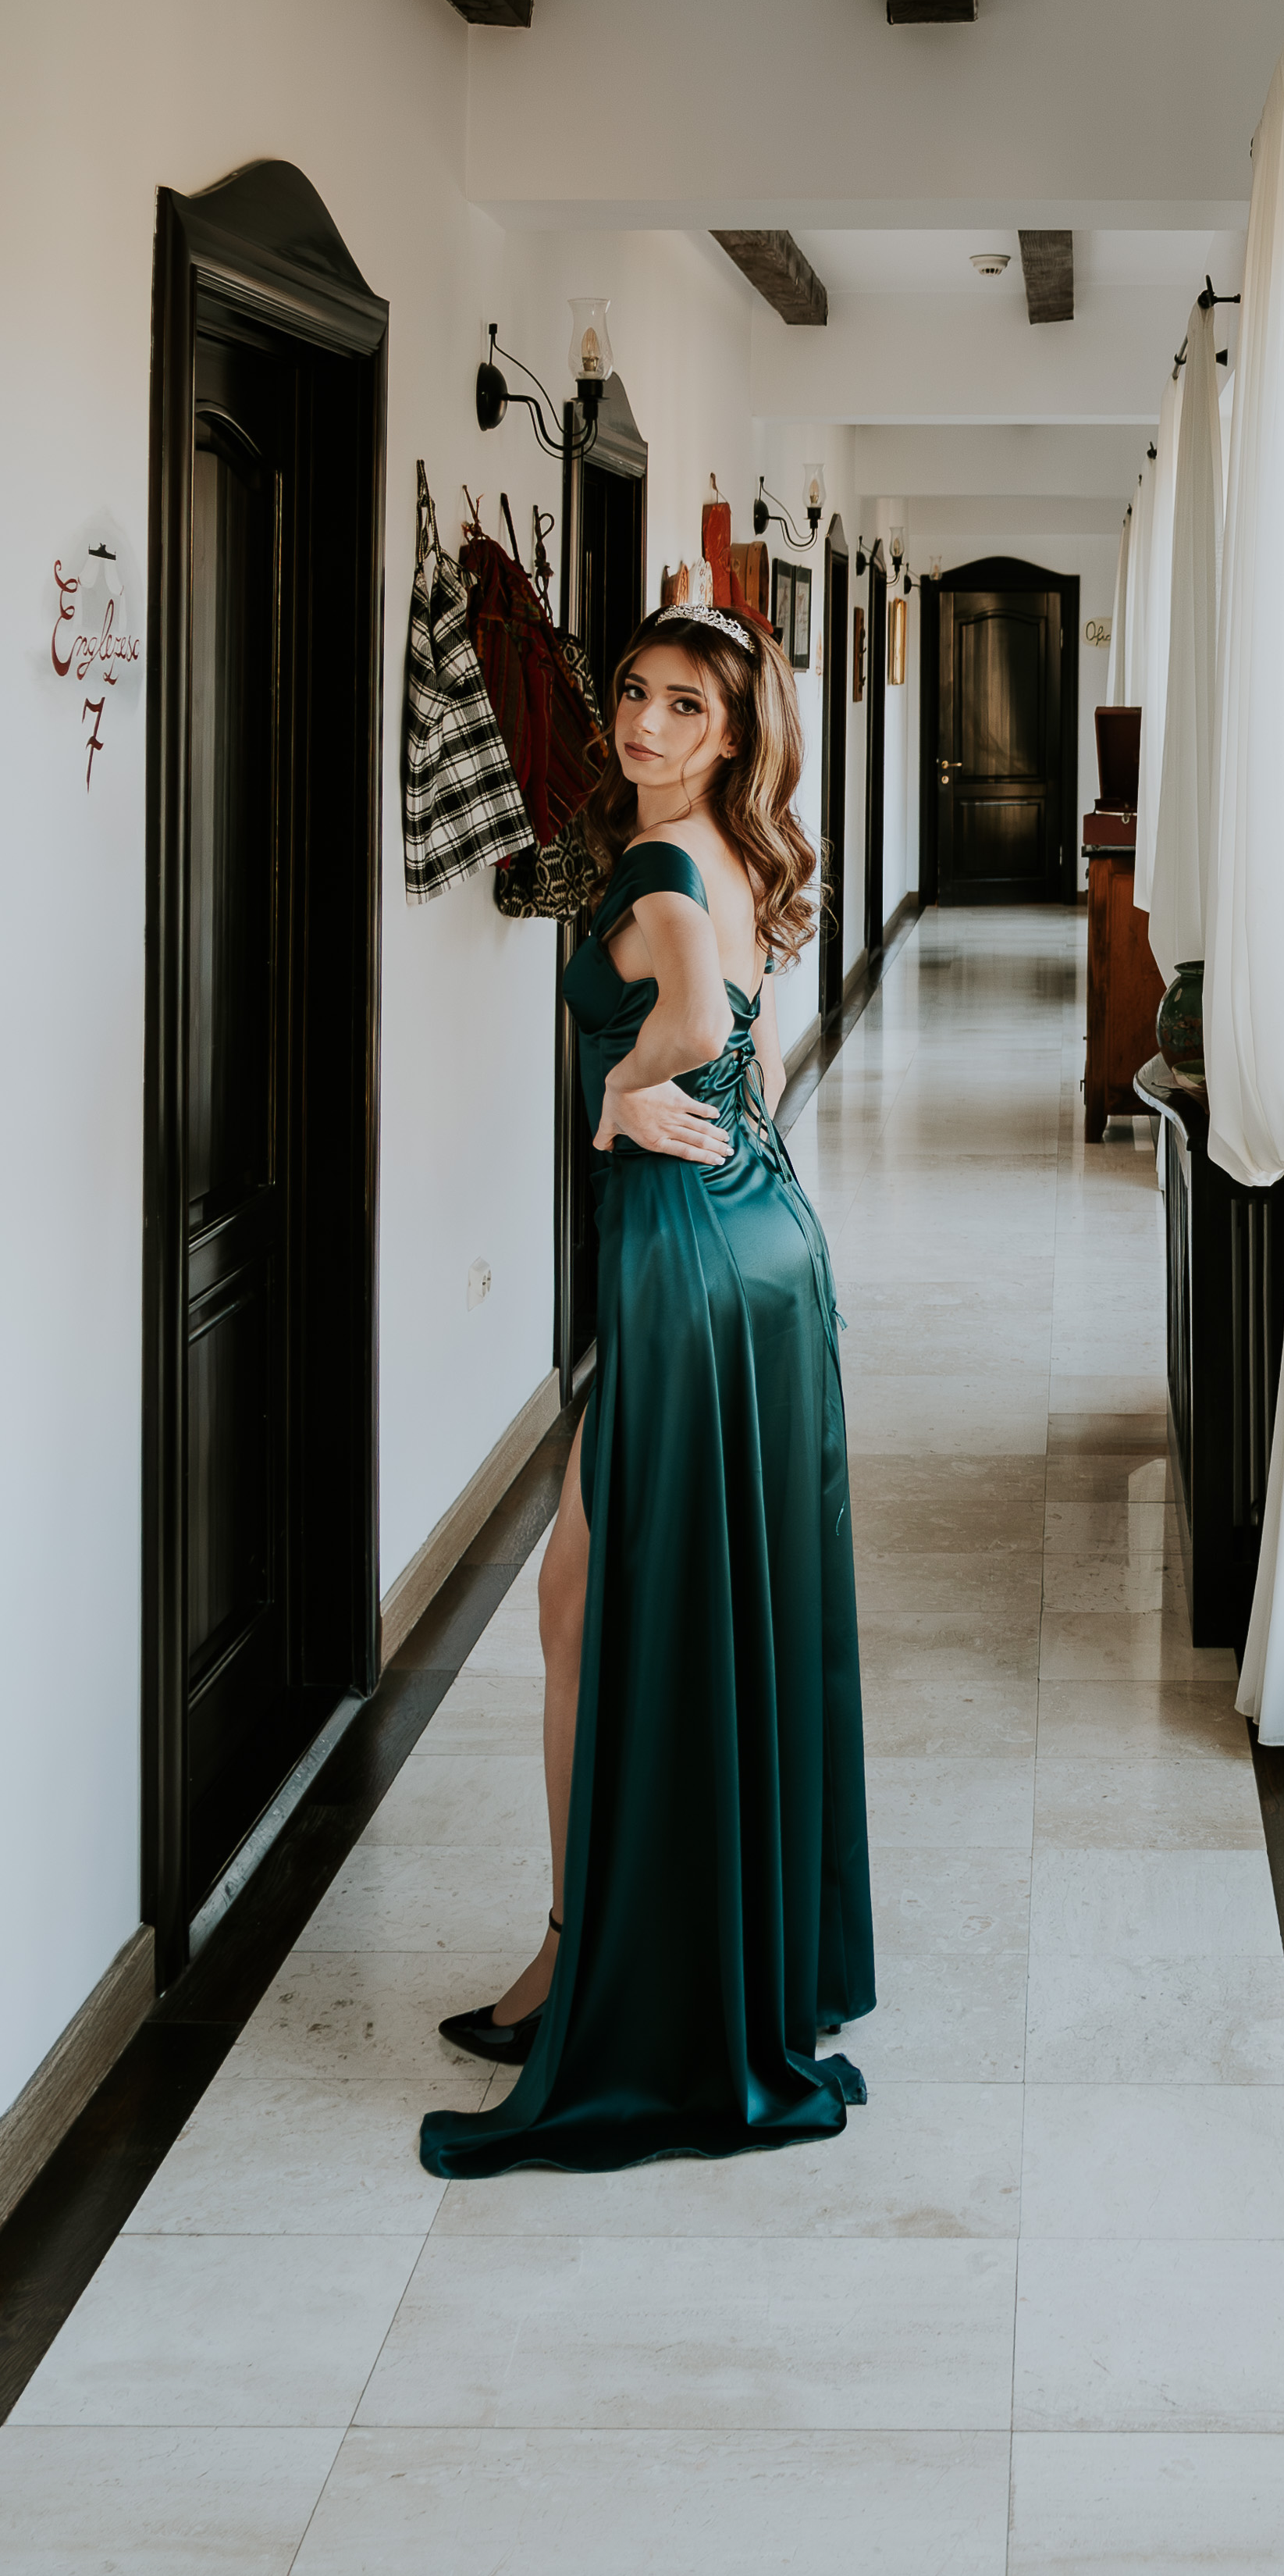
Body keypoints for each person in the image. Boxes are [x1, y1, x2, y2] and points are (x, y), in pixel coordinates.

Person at [421, 604, 873, 2179]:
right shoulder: (733, 855)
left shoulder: (667, 863)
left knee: (607, 1602)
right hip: (756, 1239)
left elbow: (685, 1022)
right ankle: (596, 1946)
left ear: (733, 734)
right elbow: (746, 1046)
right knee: (600, 1597)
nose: (645, 724)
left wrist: (620, 1092)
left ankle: (592, 1962)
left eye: (686, 705)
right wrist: (680, 1092)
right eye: (633, 694)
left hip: (689, 1256)